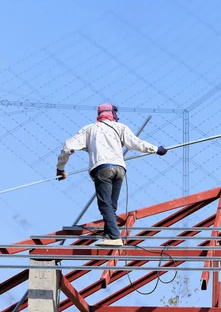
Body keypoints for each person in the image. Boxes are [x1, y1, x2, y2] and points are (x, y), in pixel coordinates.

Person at [56, 104, 168, 246]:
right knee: (111, 206)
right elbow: (136, 143)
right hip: (120, 170)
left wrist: (60, 169)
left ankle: (114, 237)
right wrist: (156, 149)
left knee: (105, 205)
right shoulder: (120, 127)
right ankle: (109, 235)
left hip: (102, 169)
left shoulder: (89, 129)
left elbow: (67, 147)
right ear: (112, 114)